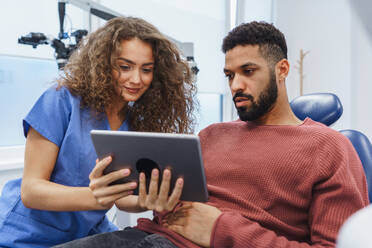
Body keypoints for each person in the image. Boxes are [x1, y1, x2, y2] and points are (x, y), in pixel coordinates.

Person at [55, 21, 369, 248]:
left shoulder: (330, 147)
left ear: (282, 69)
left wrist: (221, 229)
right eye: (229, 75)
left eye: (248, 72)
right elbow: (159, 204)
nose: (235, 86)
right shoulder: (211, 135)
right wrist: (134, 194)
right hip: (143, 236)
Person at [0, 16, 196, 247]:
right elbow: (31, 191)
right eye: (125, 67)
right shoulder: (61, 101)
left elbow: (124, 200)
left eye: (147, 70)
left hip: (83, 234)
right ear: (103, 64)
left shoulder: (136, 123)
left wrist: (152, 199)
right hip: (25, 235)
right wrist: (95, 198)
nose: (136, 79)